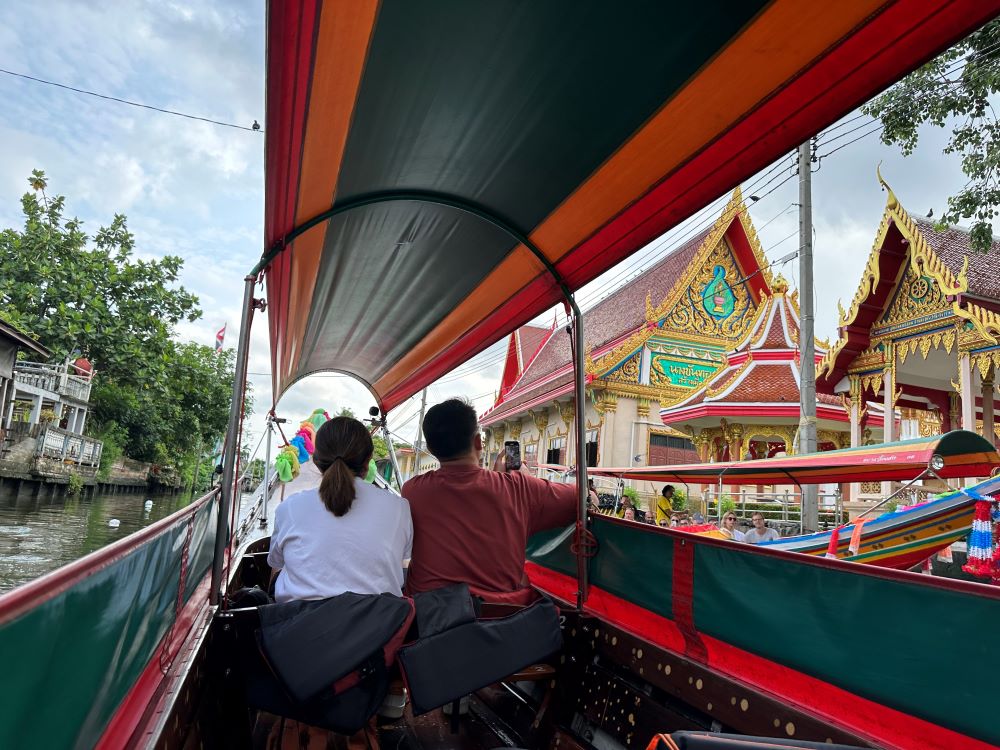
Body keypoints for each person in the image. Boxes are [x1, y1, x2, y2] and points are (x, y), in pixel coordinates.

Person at [402, 399, 576, 605]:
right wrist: (524, 479)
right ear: (478, 442)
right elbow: (585, 497)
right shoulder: (519, 487)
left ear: (430, 448)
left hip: (431, 617)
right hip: (499, 617)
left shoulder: (412, 490)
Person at [268, 416, 413, 603]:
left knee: (278, 568)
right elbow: (402, 559)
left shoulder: (289, 507)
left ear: (316, 460)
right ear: (368, 460)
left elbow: (275, 562)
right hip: (381, 627)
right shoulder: (399, 507)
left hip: (302, 628)